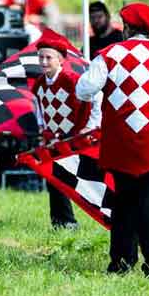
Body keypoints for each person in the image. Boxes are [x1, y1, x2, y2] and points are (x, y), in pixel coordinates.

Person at [76, 2, 149, 278]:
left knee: (122, 203)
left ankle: (122, 263)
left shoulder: (110, 54)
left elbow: (83, 90)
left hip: (121, 140)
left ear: (126, 28)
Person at [31, 30, 101, 229]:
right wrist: (41, 128)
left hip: (76, 137)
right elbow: (40, 107)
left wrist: (90, 126)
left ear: (61, 60)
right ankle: (62, 222)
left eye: (48, 57)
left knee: (86, 180)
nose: (43, 61)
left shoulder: (72, 79)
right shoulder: (39, 83)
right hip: (53, 137)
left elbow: (97, 98)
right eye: (41, 57)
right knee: (54, 179)